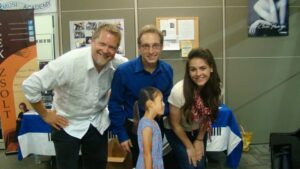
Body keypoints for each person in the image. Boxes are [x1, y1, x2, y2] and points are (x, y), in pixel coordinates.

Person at [22, 23, 126, 169]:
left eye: (112, 47)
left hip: (97, 122)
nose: (106, 50)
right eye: (102, 44)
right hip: (66, 123)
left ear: (116, 50)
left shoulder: (119, 64)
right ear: (92, 41)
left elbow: (133, 75)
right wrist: (45, 114)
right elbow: (30, 85)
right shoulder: (68, 63)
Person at [108, 24, 173, 167]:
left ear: (161, 47)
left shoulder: (167, 70)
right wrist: (121, 135)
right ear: (139, 47)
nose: (151, 51)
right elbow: (114, 104)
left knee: (155, 162)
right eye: (146, 46)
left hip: (157, 126)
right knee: (139, 163)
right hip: (132, 130)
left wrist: (162, 112)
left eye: (155, 46)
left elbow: (167, 99)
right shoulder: (124, 72)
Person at [164, 48, 222, 169]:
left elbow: (209, 116)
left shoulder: (217, 88)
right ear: (188, 72)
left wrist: (199, 139)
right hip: (176, 131)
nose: (198, 74)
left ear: (211, 68)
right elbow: (175, 125)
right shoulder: (179, 91)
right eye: (193, 69)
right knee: (191, 164)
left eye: (203, 68)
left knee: (199, 164)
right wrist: (189, 146)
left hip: (198, 129)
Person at [135, 87, 165, 169]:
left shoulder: (154, 123)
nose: (164, 104)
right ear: (150, 104)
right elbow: (147, 154)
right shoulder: (147, 126)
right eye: (161, 101)